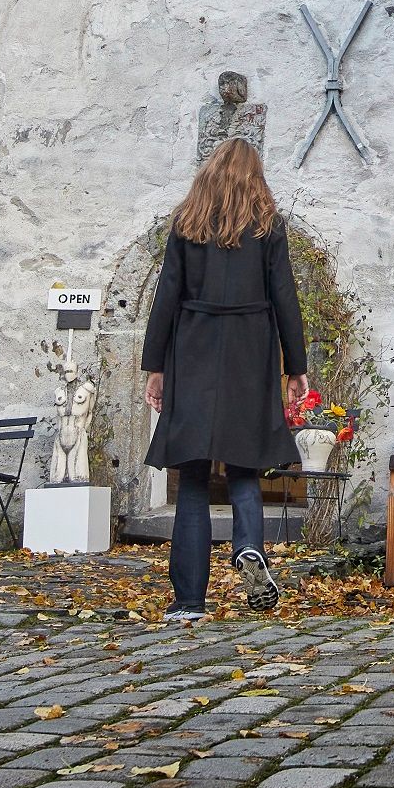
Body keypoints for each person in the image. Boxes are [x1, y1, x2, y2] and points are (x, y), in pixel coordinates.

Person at [142, 137, 308, 621]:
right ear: (256, 178)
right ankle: (249, 548)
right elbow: (285, 298)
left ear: (209, 173)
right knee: (244, 465)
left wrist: (157, 368)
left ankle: (189, 601)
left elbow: (165, 297)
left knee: (192, 476)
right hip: (249, 351)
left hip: (192, 346)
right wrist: (294, 367)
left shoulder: (186, 223)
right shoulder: (268, 227)